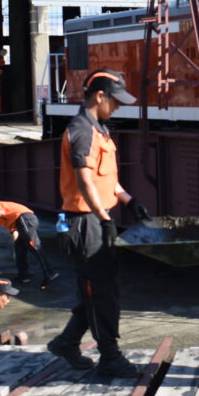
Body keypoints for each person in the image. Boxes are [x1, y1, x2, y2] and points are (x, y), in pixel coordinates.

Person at [46, 69, 151, 378]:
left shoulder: (100, 129)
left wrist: (130, 202)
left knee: (101, 289)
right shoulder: (82, 130)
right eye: (115, 101)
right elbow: (84, 180)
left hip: (97, 217)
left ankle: (67, 342)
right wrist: (104, 219)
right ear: (100, 96)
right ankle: (110, 356)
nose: (118, 107)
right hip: (85, 221)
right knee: (100, 291)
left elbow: (108, 181)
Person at [0, 199, 58, 288]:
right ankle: (23, 276)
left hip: (25, 218)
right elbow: (13, 229)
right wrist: (14, 244)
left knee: (34, 246)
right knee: (19, 249)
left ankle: (50, 272)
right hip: (20, 223)